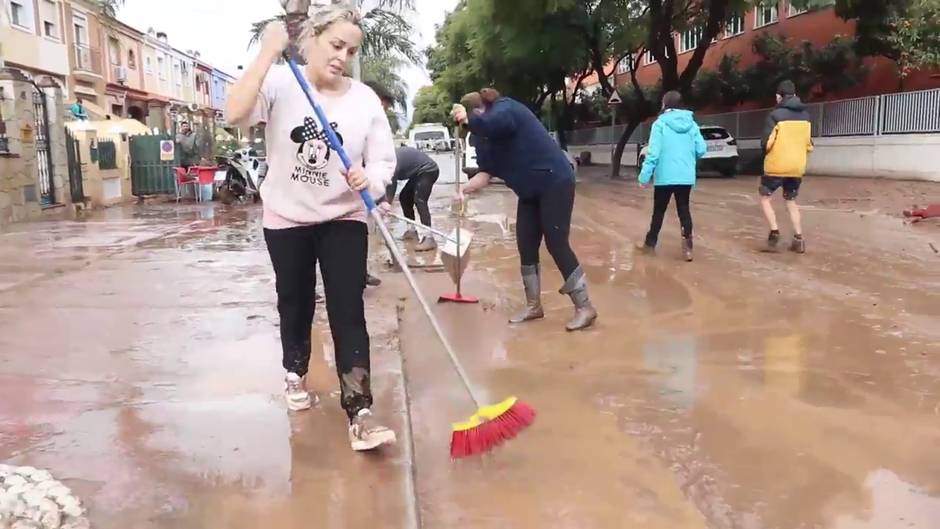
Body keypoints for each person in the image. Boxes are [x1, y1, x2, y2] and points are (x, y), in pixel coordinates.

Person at [226, 6, 398, 451]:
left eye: (352, 50)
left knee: (348, 308)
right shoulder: (283, 82)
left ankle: (360, 410)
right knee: (295, 300)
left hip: (343, 215)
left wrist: (371, 181)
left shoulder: (363, 101)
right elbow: (234, 112)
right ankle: (294, 371)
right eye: (336, 45)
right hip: (287, 216)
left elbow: (382, 162)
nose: (343, 56)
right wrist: (267, 52)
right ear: (313, 40)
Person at [452, 89, 597, 332]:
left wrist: (469, 119)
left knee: (556, 242)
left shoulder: (505, 108)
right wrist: (462, 191)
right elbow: (486, 173)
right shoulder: (485, 138)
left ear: (479, 110)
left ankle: (585, 307)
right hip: (529, 191)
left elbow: (497, 124)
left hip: (555, 181)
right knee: (526, 244)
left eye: (473, 119)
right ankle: (534, 306)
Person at [636, 91, 706, 262]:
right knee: (684, 209)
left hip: (664, 177)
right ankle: (688, 249)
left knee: (659, 211)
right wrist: (687, 160)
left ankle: (650, 244)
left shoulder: (660, 125)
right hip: (685, 176)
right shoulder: (692, 124)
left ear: (664, 104)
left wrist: (644, 177)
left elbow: (653, 153)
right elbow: (702, 149)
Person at [760, 80, 813, 253]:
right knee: (791, 200)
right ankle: (799, 238)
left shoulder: (775, 115)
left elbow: (767, 143)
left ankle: (774, 232)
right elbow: (809, 145)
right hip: (797, 167)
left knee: (765, 197)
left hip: (776, 165)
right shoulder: (805, 116)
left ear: (779, 96)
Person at [385, 145, 440, 252]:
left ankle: (429, 238)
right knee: (404, 197)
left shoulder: (390, 161)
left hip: (428, 170)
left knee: (420, 200)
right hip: (417, 173)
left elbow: (391, 184)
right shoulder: (385, 160)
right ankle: (411, 230)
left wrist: (387, 203)